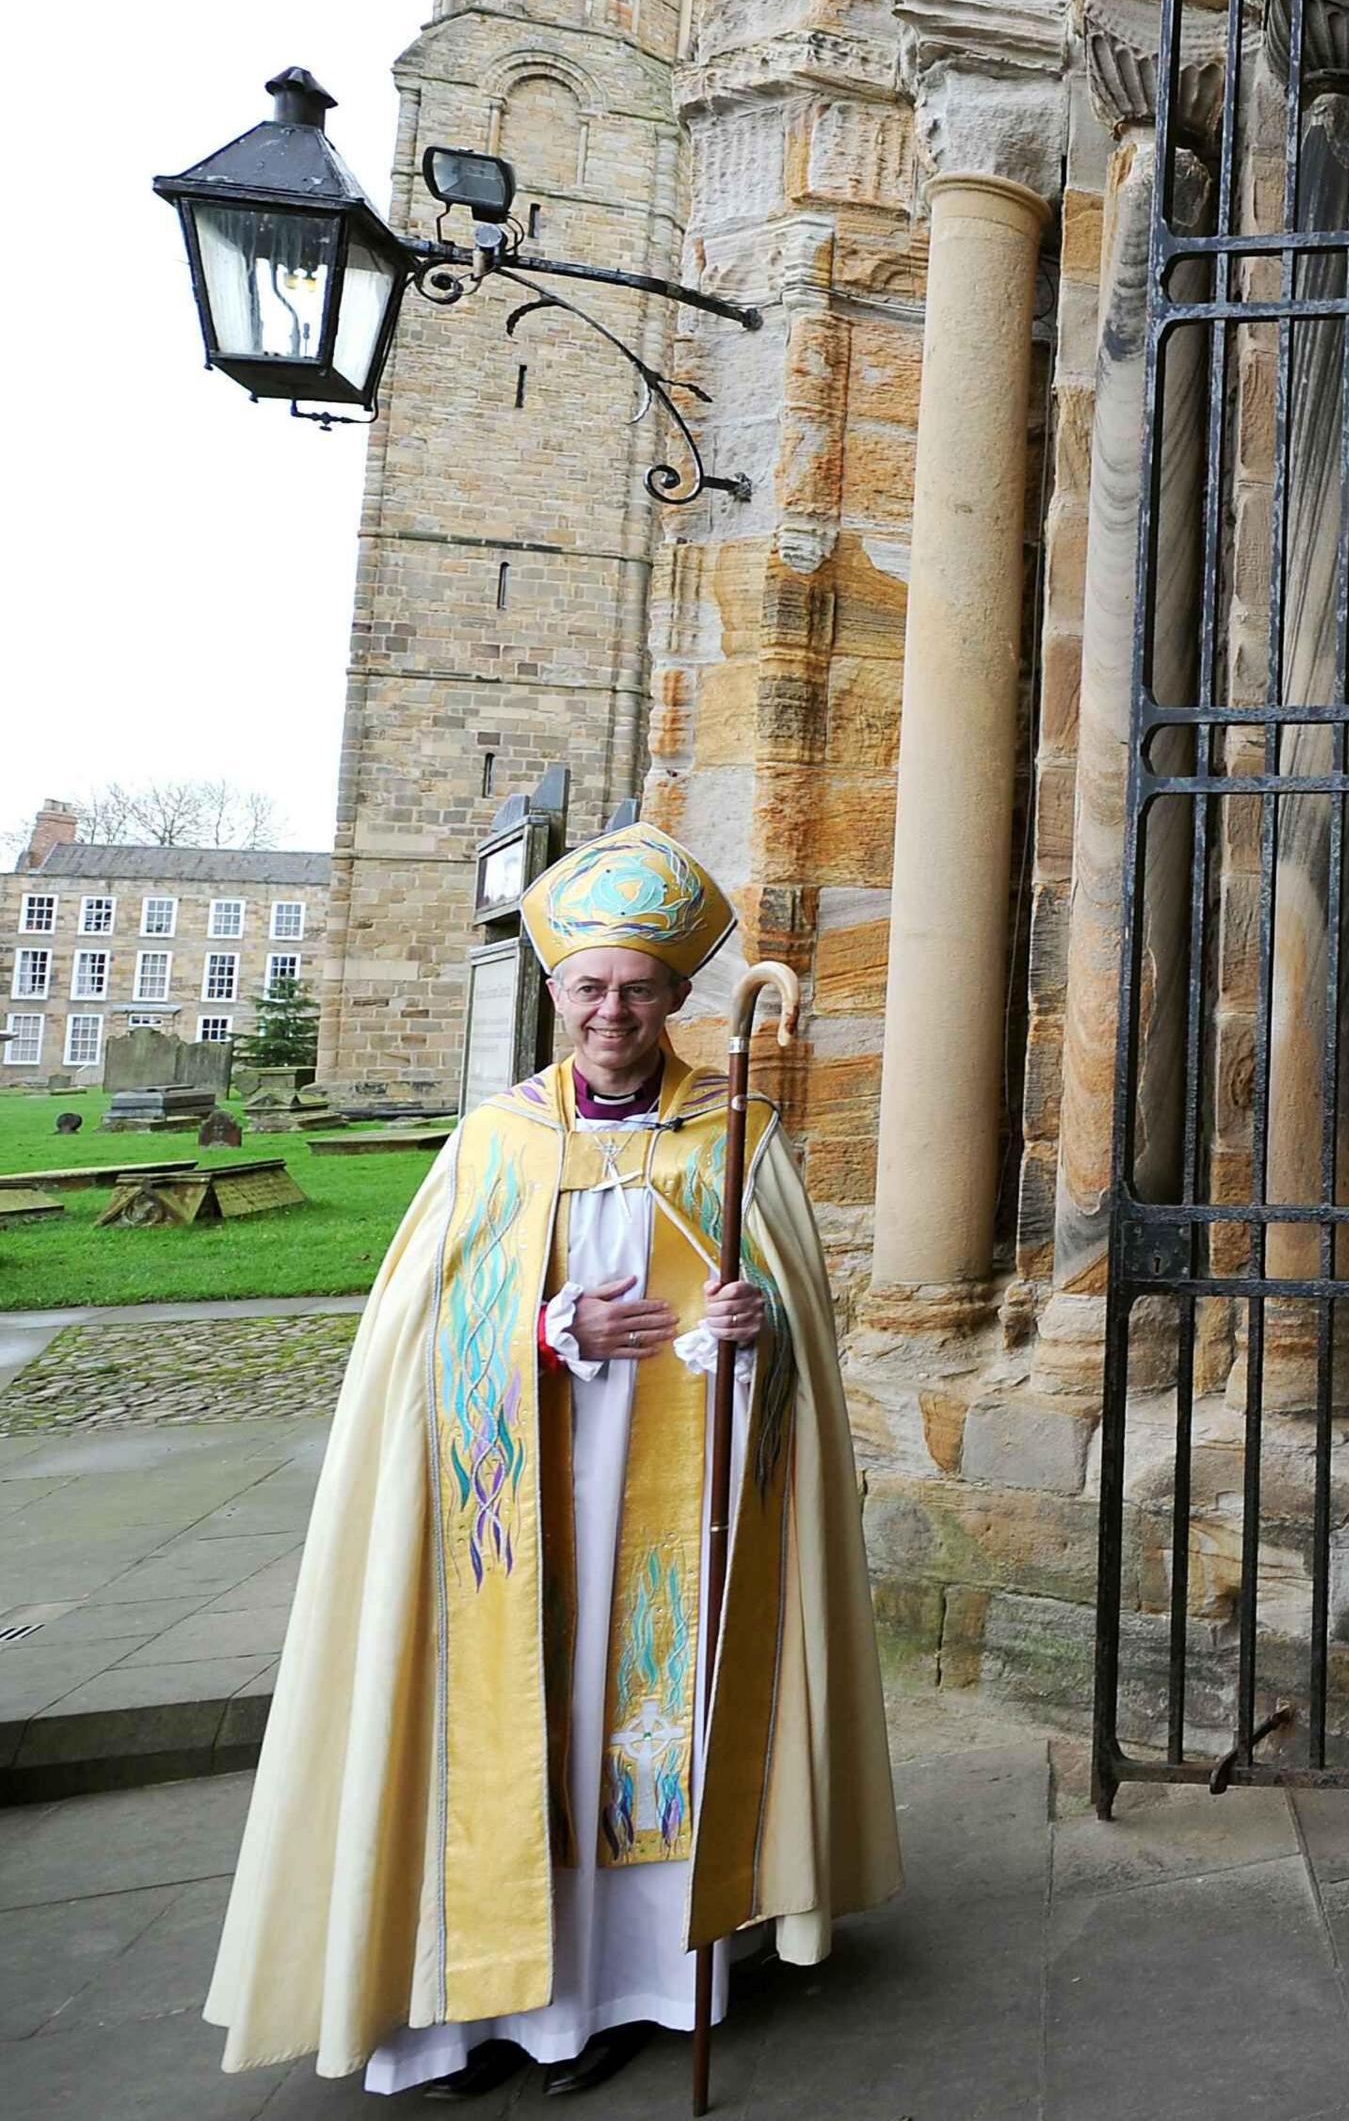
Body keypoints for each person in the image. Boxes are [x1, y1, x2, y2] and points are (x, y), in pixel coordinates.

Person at [205, 822, 898, 2098]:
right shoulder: (497, 1140)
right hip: (510, 1502)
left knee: (638, 1727)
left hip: (678, 1509)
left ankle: (634, 1989)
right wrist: (542, 1329)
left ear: (677, 998)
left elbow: (794, 1335)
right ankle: (471, 2005)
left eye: (638, 988)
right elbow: (415, 1336)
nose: (613, 1011)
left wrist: (757, 1333)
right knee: (503, 1723)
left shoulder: (735, 1136)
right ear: (558, 995)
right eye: (590, 988)